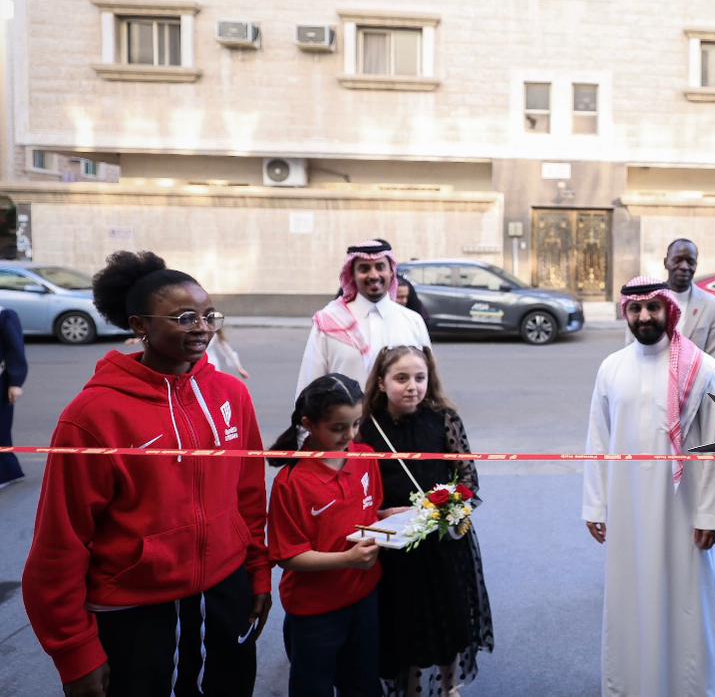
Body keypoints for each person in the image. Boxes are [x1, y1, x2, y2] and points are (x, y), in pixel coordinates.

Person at [23, 250, 271, 697]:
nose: (202, 328)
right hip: (136, 612)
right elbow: (61, 540)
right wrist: (74, 651)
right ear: (140, 326)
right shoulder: (93, 415)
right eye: (184, 317)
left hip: (224, 594)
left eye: (208, 315)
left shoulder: (232, 394)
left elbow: (249, 494)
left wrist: (256, 573)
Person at [583, 276, 715, 696]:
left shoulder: (701, 368)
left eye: (653, 308)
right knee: (629, 602)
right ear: (626, 313)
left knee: (685, 606)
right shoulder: (611, 367)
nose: (644, 316)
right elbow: (598, 437)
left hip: (682, 512)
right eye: (635, 309)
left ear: (669, 310)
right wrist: (595, 505)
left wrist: (707, 513)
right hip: (626, 508)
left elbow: (713, 449)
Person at [360, 346, 493, 697]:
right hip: (393, 551)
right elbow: (356, 488)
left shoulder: (444, 419)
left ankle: (449, 688)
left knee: (447, 620)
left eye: (420, 378)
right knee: (404, 624)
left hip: (442, 544)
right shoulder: (366, 428)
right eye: (401, 378)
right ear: (382, 382)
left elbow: (469, 482)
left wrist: (433, 511)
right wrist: (378, 516)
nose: (412, 386)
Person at [267, 373, 395, 697]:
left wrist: (389, 517)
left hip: (364, 598)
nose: (349, 435)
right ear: (309, 424)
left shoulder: (365, 457)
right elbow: (290, 556)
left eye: (355, 424)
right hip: (315, 611)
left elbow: (365, 513)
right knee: (314, 687)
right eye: (338, 428)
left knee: (364, 684)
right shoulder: (291, 482)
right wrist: (347, 559)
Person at [296, 238, 431, 397]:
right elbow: (310, 384)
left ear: (391, 272)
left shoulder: (412, 321)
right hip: (348, 422)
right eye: (364, 269)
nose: (374, 275)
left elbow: (428, 382)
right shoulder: (329, 321)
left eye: (380, 267)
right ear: (352, 275)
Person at [626, 238, 715, 373]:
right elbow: (631, 350)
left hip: (695, 390)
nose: (684, 266)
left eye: (690, 262)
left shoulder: (712, 305)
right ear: (665, 262)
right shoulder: (643, 302)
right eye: (678, 260)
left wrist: (709, 393)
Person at [0, 304, 28, 489]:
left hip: (1, 380)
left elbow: (15, 348)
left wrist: (16, 382)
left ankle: (6, 473)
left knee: (0, 429)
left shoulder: (5, 314)